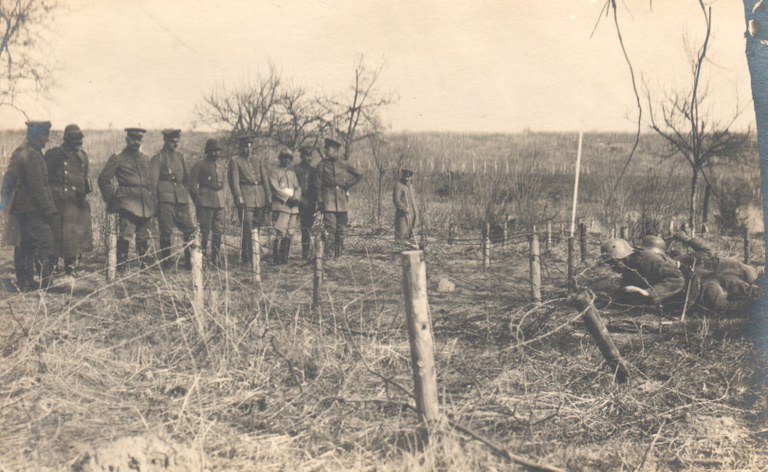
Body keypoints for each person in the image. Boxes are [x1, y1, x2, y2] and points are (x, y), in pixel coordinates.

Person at [98, 128, 156, 272]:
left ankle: (145, 267)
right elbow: (104, 179)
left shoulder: (146, 159)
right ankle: (120, 267)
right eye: (133, 139)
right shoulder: (118, 158)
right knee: (125, 235)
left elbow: (152, 181)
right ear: (127, 140)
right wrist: (112, 200)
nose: (136, 142)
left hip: (145, 203)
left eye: (139, 139)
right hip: (127, 202)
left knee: (144, 236)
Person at [9, 121, 57, 290]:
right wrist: (48, 209)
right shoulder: (31, 156)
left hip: (22, 207)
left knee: (25, 243)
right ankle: (47, 283)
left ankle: (25, 282)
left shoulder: (25, 152)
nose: (47, 140)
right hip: (32, 207)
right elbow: (37, 186)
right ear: (38, 136)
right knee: (45, 241)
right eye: (45, 136)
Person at [44, 124, 93, 277]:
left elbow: (84, 178)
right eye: (74, 140)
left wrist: (84, 189)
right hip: (58, 201)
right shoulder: (54, 155)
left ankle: (70, 268)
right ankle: (50, 268)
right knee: (55, 235)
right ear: (67, 139)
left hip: (76, 201)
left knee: (73, 237)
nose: (78, 143)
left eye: (79, 140)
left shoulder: (83, 156)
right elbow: (45, 178)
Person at [670, 231, 759, 316]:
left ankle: (756, 295)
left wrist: (686, 239)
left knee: (750, 280)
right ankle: (755, 301)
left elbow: (706, 251)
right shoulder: (668, 267)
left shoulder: (686, 257)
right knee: (722, 303)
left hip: (720, 269)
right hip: (702, 284)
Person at [150, 129, 196, 270]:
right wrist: (156, 204)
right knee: (166, 231)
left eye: (176, 142)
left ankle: (190, 262)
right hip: (165, 200)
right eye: (172, 142)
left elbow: (187, 179)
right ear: (165, 141)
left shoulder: (180, 157)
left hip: (181, 200)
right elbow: (153, 183)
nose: (175, 144)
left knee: (189, 230)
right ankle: (167, 263)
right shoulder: (158, 158)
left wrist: (185, 193)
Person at [312, 137, 362, 258]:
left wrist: (346, 184)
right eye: (326, 148)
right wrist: (320, 201)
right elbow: (317, 184)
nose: (326, 151)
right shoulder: (322, 164)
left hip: (341, 200)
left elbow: (359, 174)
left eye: (328, 149)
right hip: (328, 200)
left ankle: (339, 254)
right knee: (330, 228)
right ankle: (329, 254)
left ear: (335, 150)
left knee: (341, 229)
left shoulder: (343, 163)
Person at [600, 237, 686, 307]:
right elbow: (628, 287)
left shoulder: (647, 260)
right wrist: (610, 300)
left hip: (684, 294)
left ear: (622, 258)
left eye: (613, 263)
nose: (611, 267)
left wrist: (648, 292)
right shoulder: (631, 263)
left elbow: (677, 278)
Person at [228, 135, 271, 266]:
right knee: (247, 226)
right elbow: (234, 182)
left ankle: (255, 255)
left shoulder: (257, 160)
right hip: (246, 198)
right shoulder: (235, 161)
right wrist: (239, 198)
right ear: (241, 147)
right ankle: (245, 256)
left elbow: (265, 179)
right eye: (245, 146)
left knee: (257, 227)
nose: (248, 149)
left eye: (250, 146)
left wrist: (268, 196)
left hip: (260, 197)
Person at [190, 139, 228, 267]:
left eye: (218, 150)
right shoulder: (200, 165)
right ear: (208, 151)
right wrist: (198, 200)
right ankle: (203, 258)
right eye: (213, 150)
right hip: (205, 201)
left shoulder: (221, 165)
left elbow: (223, 184)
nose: (216, 153)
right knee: (204, 231)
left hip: (219, 202)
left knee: (218, 231)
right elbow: (192, 185)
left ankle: (215, 258)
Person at [269, 148, 301, 264]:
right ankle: (276, 259)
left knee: (290, 233)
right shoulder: (274, 171)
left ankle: (284, 258)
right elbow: (274, 188)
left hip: (293, 207)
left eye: (289, 158)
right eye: (284, 158)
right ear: (280, 159)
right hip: (282, 206)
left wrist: (296, 198)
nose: (286, 160)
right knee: (280, 232)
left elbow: (297, 187)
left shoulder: (292, 173)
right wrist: (287, 198)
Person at [293, 144, 317, 260]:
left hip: (310, 203)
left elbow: (317, 187)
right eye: (307, 155)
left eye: (311, 155)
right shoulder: (295, 170)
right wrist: (298, 199)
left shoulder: (314, 170)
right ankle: (283, 256)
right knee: (293, 228)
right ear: (301, 156)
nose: (309, 158)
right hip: (297, 202)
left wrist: (316, 201)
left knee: (307, 229)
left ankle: (307, 254)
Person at [392, 168, 419, 243]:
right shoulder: (398, 185)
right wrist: (404, 208)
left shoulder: (410, 186)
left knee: (412, 235)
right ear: (402, 176)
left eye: (409, 177)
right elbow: (396, 200)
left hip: (413, 214)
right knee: (402, 235)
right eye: (405, 177)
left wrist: (416, 212)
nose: (407, 179)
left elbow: (413, 200)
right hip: (403, 215)